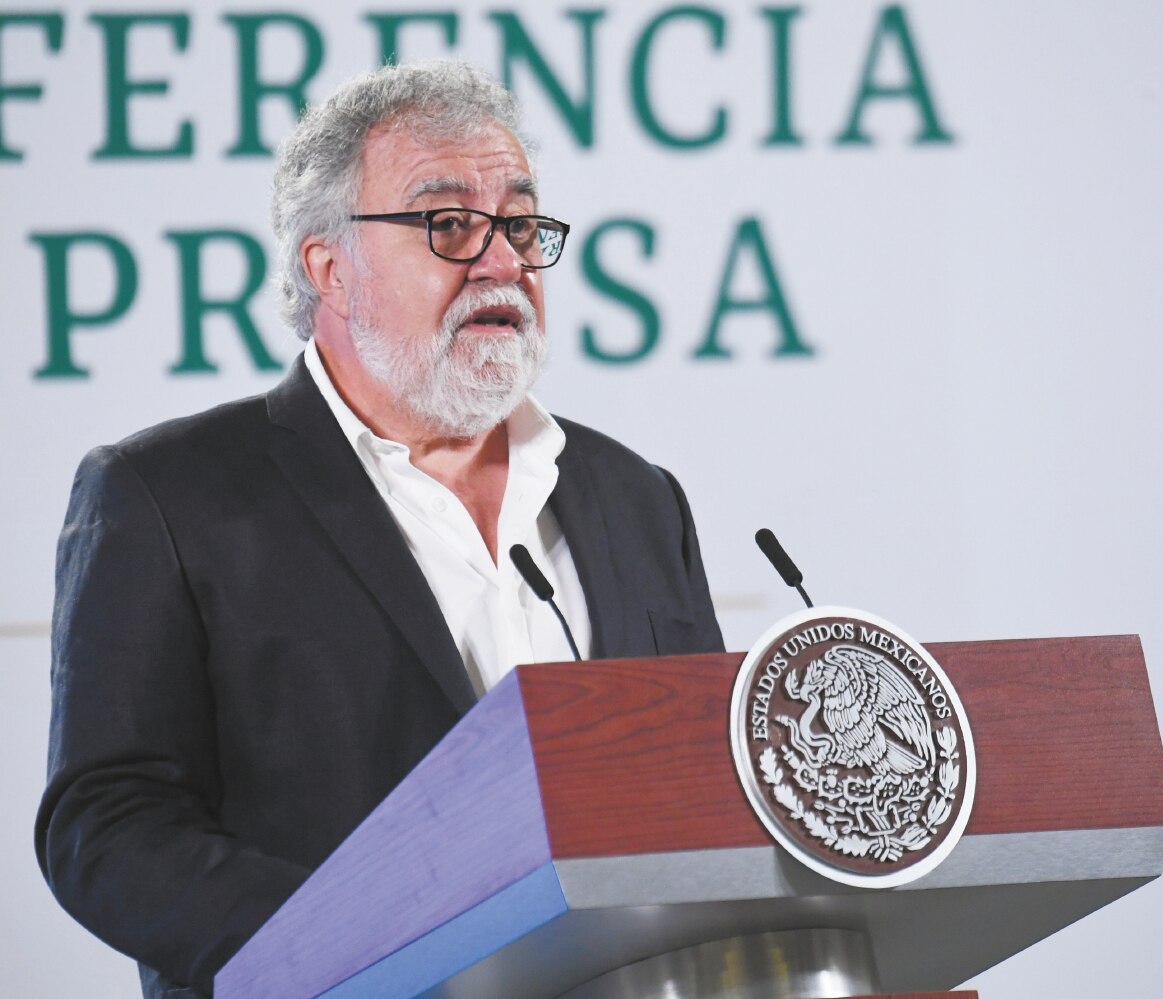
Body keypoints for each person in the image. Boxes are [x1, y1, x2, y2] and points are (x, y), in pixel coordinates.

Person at [35, 60, 724, 999]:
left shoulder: (635, 497)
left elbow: (705, 793)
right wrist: (364, 945)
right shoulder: (167, 497)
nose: (504, 262)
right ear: (331, 270)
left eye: (519, 224)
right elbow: (105, 824)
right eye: (448, 225)